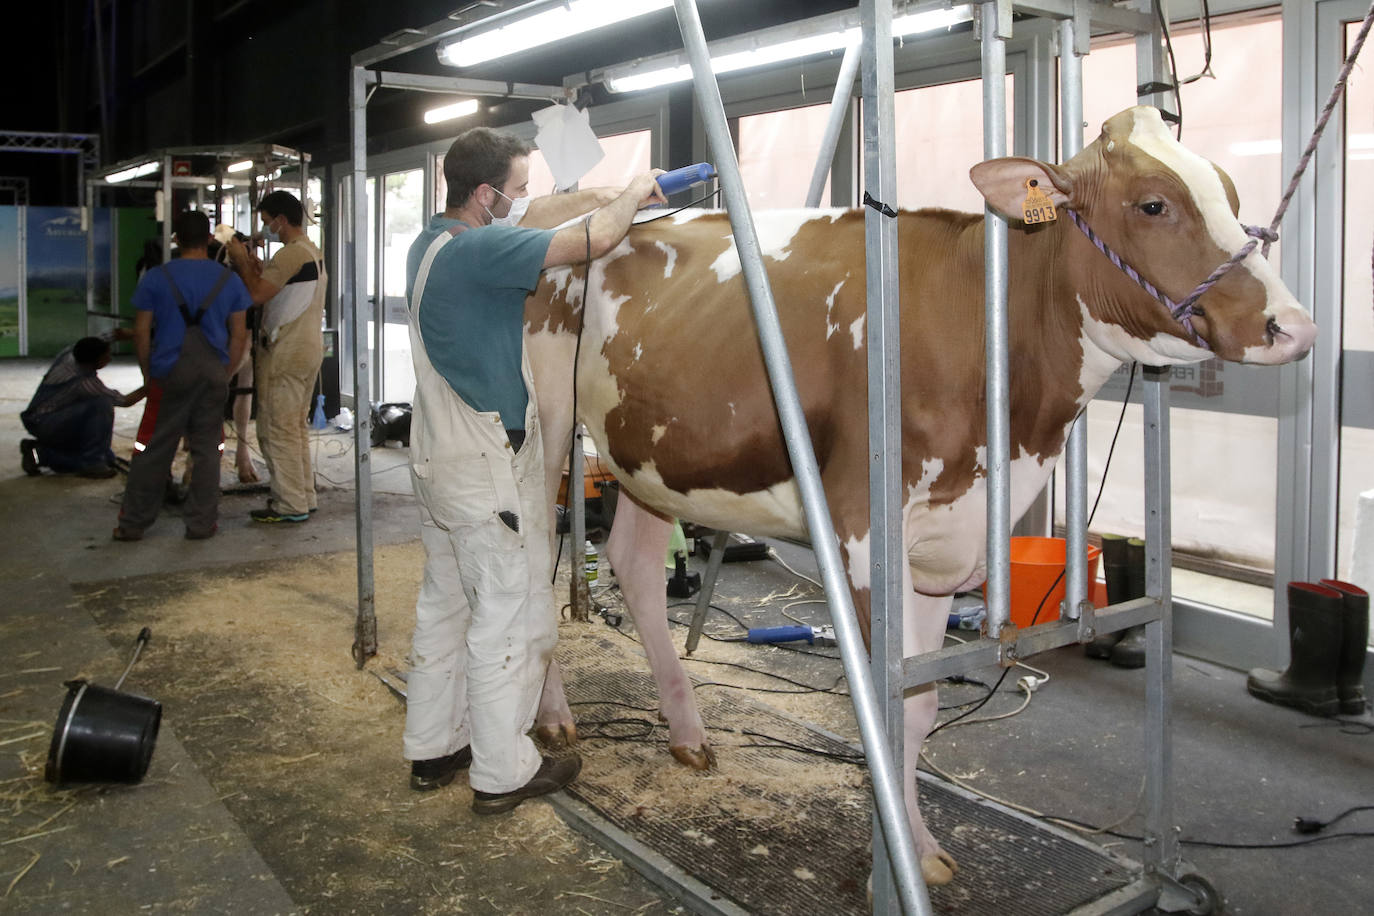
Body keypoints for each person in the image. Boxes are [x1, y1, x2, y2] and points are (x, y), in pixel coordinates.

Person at [403, 126, 665, 814]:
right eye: (519, 190)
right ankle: (503, 771)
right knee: (508, 618)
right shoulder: (483, 248)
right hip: (487, 463)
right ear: (485, 195)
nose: (525, 201)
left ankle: (433, 746)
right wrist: (638, 186)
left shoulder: (427, 244)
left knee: (445, 605)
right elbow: (597, 239)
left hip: (438, 454)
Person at [112, 210, 251, 541]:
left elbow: (142, 333)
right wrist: (227, 372)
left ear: (175, 240)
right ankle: (201, 524)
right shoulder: (229, 280)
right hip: (212, 373)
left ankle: (133, 524)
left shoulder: (157, 278)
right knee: (208, 451)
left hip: (168, 372)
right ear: (208, 240)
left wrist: (150, 375)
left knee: (152, 450)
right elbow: (239, 335)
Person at [226, 190, 324, 523]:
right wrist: (255, 267)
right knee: (294, 427)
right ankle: (303, 496)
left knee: (276, 429)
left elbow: (255, 294)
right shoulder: (311, 251)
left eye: (267, 222)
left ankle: (289, 504)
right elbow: (276, 289)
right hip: (307, 348)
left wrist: (240, 261)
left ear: (282, 220)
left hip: (286, 351)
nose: (265, 229)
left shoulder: (291, 255)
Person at [21, 330, 147, 477]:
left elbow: (111, 335)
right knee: (102, 404)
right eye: (106, 356)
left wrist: (139, 332)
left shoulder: (70, 353)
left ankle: (40, 452)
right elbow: (124, 401)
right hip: (45, 423)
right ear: (96, 361)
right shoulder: (85, 383)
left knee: (106, 456)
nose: (110, 358)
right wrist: (151, 387)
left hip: (42, 416)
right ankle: (89, 463)